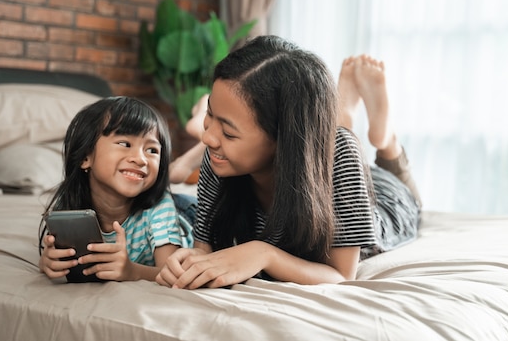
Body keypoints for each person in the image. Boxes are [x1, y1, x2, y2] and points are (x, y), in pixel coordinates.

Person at [155, 35, 421, 289]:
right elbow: (204, 249)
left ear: (284, 140)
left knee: (405, 192)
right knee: (330, 140)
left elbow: (342, 275)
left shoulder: (341, 153)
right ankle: (343, 114)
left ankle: (387, 143)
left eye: (228, 132)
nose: (208, 137)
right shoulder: (221, 157)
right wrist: (189, 261)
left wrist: (264, 254)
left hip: (384, 198)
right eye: (210, 115)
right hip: (315, 157)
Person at [38, 96, 194, 282]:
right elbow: (60, 257)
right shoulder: (71, 204)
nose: (140, 159)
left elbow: (171, 273)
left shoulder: (159, 208)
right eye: (125, 144)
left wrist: (132, 272)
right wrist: (47, 262)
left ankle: (195, 148)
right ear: (85, 157)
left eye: (152, 150)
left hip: (188, 213)